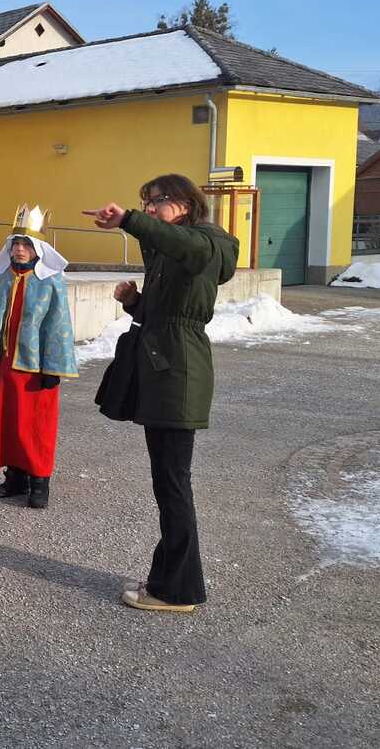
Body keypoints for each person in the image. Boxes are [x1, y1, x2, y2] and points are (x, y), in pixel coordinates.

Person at [86, 174, 239, 614]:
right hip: (166, 370)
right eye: (145, 202)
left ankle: (176, 591)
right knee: (168, 483)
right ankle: (169, 580)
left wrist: (129, 220)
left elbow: (183, 246)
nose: (150, 208)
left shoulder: (209, 243)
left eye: (157, 201)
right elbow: (169, 300)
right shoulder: (177, 249)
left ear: (186, 204)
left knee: (173, 485)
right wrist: (135, 303)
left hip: (178, 375)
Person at [0, 204, 79, 509]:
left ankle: (39, 482)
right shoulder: (1, 279)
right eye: (15, 244)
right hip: (6, 366)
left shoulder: (51, 282)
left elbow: (59, 326)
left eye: (26, 244)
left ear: (38, 249)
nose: (20, 249)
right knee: (8, 423)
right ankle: (15, 478)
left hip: (36, 370)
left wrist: (54, 368)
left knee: (37, 426)